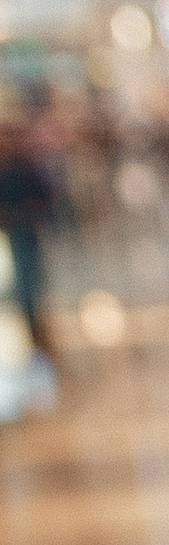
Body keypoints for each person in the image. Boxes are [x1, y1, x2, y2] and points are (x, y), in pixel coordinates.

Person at [0, 114, 62, 363]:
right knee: (24, 284)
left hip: (27, 231)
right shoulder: (9, 168)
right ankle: (33, 331)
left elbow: (46, 197)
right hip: (14, 231)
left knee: (32, 282)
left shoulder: (26, 167)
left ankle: (38, 332)